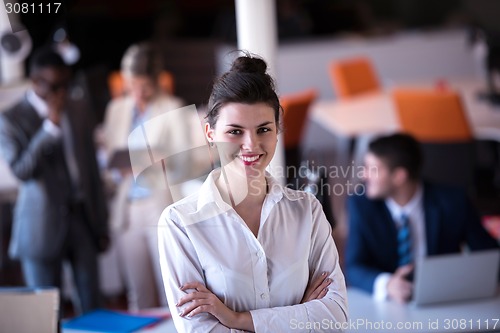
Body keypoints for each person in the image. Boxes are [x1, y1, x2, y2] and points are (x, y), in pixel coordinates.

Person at [158, 54, 348, 332]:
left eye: (264, 130)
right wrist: (300, 315)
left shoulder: (307, 210)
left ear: (277, 130)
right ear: (210, 133)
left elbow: (335, 317)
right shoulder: (180, 224)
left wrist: (236, 320)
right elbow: (201, 329)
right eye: (235, 131)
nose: (252, 144)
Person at [0, 45, 109, 314]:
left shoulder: (79, 108)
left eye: (66, 83)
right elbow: (22, 171)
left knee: (93, 307)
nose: (61, 91)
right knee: (46, 314)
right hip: (40, 224)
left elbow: (91, 170)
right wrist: (50, 127)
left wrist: (101, 222)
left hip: (81, 217)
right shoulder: (10, 119)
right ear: (36, 81)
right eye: (54, 85)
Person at [99, 41, 201, 310]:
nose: (139, 94)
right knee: (137, 292)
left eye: (145, 87)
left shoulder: (173, 107)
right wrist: (116, 168)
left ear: (157, 81)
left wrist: (158, 162)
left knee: (172, 288)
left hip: (160, 205)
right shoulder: (116, 110)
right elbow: (110, 161)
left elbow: (186, 164)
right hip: (127, 208)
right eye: (132, 86)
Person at [345, 132, 499, 303]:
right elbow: (353, 267)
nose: (364, 175)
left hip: (444, 300)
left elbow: (488, 255)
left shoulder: (453, 202)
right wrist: (387, 284)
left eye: (373, 169)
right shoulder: (361, 205)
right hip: (389, 304)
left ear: (399, 176)